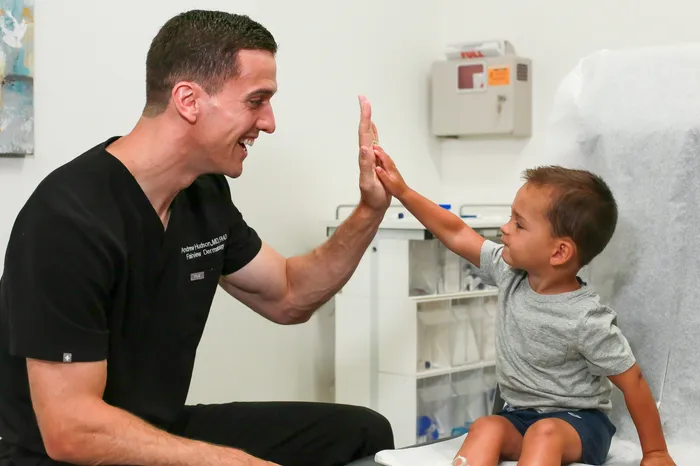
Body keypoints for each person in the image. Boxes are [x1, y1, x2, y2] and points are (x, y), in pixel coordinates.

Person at [0, 10, 395, 466]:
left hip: (155, 426)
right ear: (188, 100)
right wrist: (234, 463)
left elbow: (290, 295)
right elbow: (71, 430)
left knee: (363, 432)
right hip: (64, 455)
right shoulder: (69, 219)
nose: (268, 122)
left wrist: (370, 210)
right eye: (256, 101)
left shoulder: (203, 194)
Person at [371, 146, 676, 466]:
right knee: (486, 426)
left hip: (580, 424)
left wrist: (656, 453)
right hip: (518, 416)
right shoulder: (509, 272)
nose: (505, 228)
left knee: (544, 434)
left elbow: (634, 383)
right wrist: (401, 191)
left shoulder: (587, 319)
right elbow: (456, 231)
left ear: (559, 252)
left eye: (519, 224)